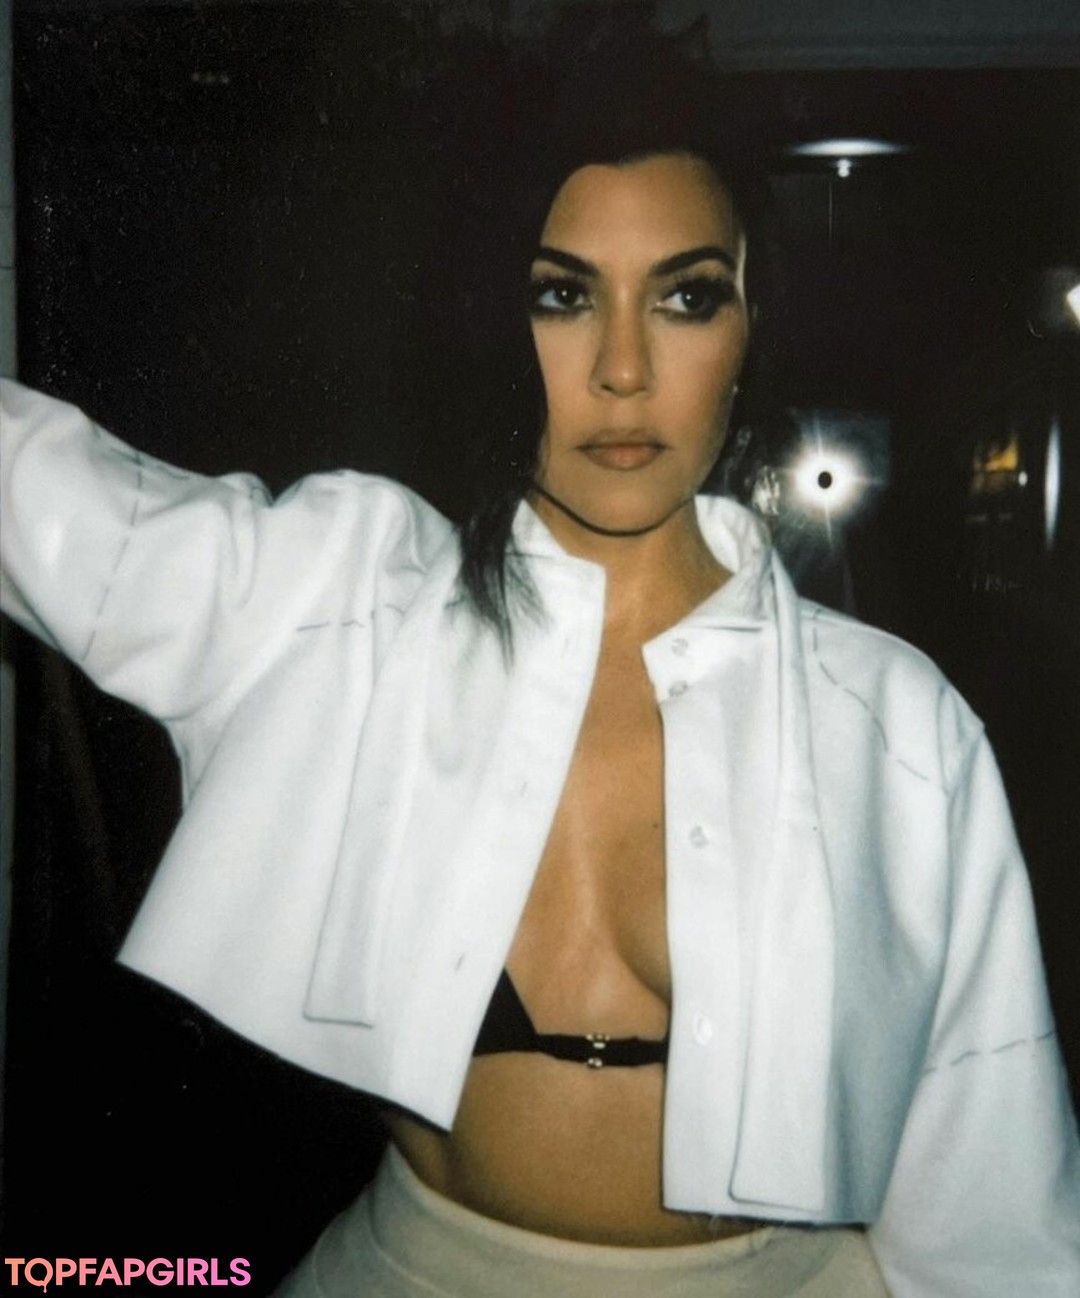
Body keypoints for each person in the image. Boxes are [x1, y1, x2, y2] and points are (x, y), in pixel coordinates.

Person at [2, 22, 1078, 1298]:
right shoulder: (347, 601)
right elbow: (33, 492)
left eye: (686, 296)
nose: (623, 370)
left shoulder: (895, 726)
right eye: (564, 294)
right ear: (491, 320)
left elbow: (996, 1210)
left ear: (751, 326)